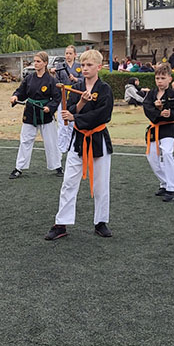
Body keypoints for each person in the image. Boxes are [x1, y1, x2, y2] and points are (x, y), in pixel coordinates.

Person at [45, 49, 114, 240]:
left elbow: (104, 115)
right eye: (82, 65)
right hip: (79, 140)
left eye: (89, 65)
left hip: (98, 138)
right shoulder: (77, 87)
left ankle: (101, 222)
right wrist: (80, 105)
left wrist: (76, 116)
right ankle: (61, 223)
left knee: (101, 184)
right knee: (68, 182)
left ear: (99, 67)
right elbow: (70, 110)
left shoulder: (105, 89)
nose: (85, 68)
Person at [9, 51, 62, 179]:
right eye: (35, 61)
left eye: (38, 61)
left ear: (45, 63)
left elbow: (57, 98)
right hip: (30, 112)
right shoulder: (29, 78)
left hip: (45, 113)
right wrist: (15, 96)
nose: (35, 63)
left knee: (51, 142)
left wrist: (50, 107)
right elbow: (21, 91)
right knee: (25, 140)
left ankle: (57, 166)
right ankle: (19, 168)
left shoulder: (51, 80)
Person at [143, 63, 174, 202]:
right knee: (152, 158)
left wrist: (168, 113)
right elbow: (147, 109)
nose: (160, 81)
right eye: (157, 78)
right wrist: (158, 112)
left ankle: (171, 188)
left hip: (168, 128)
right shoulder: (151, 94)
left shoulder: (173, 95)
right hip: (154, 128)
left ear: (169, 79)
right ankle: (164, 183)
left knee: (167, 153)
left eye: (163, 78)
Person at [54, 45, 84, 153]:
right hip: (63, 96)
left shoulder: (79, 66)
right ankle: (61, 148)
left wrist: (75, 79)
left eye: (70, 53)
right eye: (66, 53)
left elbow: (83, 80)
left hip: (75, 96)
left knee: (72, 123)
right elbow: (56, 81)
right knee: (62, 124)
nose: (68, 55)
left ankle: (71, 146)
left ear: (75, 55)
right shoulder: (60, 66)